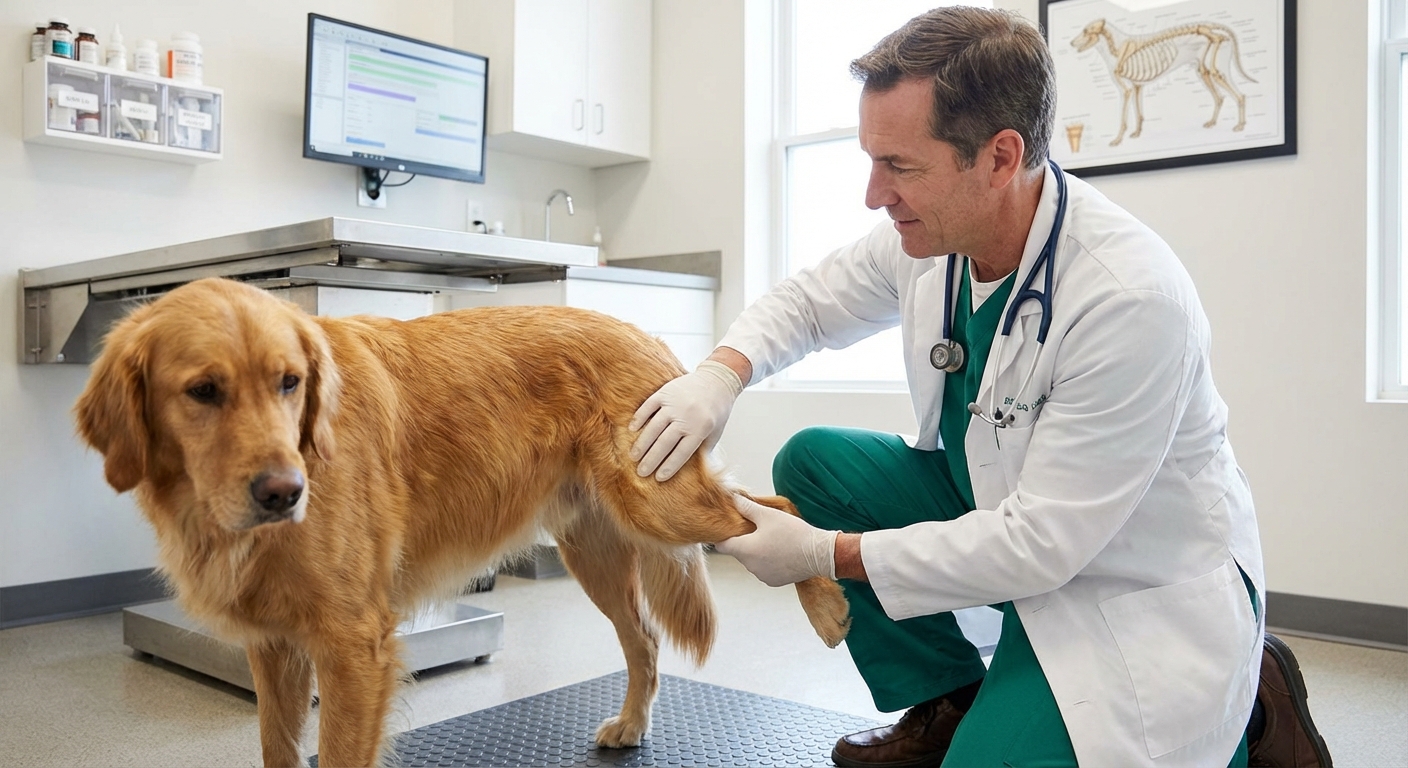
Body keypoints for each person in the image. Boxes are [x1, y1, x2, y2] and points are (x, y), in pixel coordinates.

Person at [628, 7, 1332, 768]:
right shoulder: (936, 239)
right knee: (815, 463)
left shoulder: (1129, 297)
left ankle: (1252, 706)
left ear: (1000, 157)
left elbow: (1044, 544)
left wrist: (826, 555)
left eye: (900, 166)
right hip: (1012, 524)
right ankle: (949, 701)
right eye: (871, 161)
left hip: (1126, 583)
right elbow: (809, 301)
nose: (874, 194)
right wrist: (720, 374)